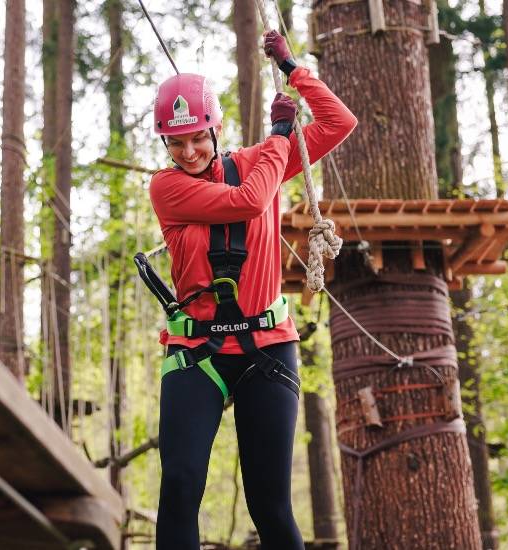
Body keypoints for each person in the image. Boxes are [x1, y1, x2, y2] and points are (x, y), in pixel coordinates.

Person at [148, 31, 357, 549]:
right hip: (199, 350)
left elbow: (339, 122)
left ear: (215, 129)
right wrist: (281, 136)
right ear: (164, 143)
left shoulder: (259, 159)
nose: (189, 150)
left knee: (271, 503)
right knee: (179, 487)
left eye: (198, 136)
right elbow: (246, 201)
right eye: (176, 141)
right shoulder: (167, 187)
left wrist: (291, 68)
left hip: (268, 346)